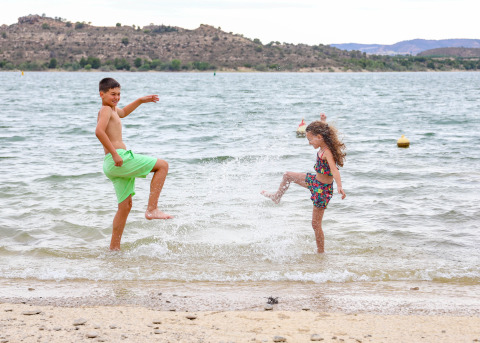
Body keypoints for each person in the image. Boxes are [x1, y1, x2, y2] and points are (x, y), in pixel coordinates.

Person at [95, 77, 173, 251]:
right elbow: (99, 132)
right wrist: (115, 154)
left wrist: (140, 100)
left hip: (114, 165)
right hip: (118, 159)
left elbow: (123, 113)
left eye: (119, 94)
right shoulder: (105, 110)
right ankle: (152, 209)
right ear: (102, 94)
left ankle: (114, 249)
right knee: (162, 166)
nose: (116, 97)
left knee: (125, 207)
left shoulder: (113, 110)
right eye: (112, 94)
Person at [261, 116, 346, 253]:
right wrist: (322, 120)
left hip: (322, 190)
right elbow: (324, 131)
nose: (309, 143)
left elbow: (335, 170)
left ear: (319, 137)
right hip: (315, 181)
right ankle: (277, 197)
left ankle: (320, 253)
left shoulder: (327, 152)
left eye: (310, 139)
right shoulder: (323, 142)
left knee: (315, 224)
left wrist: (340, 186)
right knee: (287, 175)